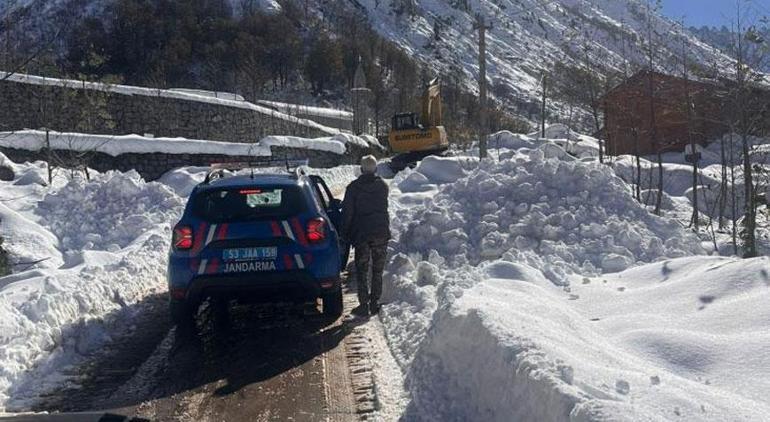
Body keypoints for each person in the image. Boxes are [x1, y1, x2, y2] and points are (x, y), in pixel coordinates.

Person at [342, 155, 390, 316]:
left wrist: (344, 233)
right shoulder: (383, 186)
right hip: (381, 233)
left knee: (361, 269)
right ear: (376, 168)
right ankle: (375, 302)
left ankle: (363, 304)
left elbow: (347, 213)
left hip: (362, 234)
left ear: (361, 169)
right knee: (377, 269)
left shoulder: (353, 188)